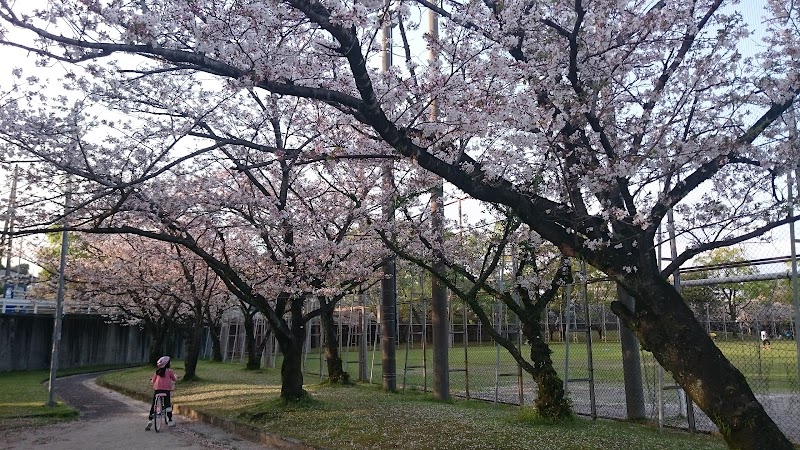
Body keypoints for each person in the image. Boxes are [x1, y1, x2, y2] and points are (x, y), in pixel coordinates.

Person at [146, 355, 178, 430]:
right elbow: (174, 379)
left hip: (157, 390)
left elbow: (153, 380)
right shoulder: (169, 371)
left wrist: (151, 380)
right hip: (166, 390)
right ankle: (170, 420)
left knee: (154, 404)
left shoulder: (157, 371)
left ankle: (150, 420)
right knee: (168, 404)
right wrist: (176, 377)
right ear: (167, 364)